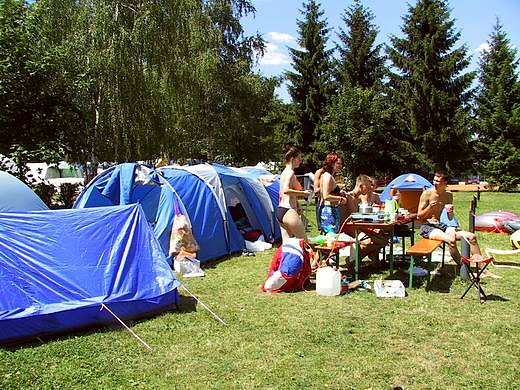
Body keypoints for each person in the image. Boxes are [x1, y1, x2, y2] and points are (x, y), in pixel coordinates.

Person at [417, 172, 499, 277]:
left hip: (441, 226)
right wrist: (429, 208)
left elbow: (450, 218)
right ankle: (464, 268)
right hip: (428, 226)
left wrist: (450, 212)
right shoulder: (427, 194)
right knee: (451, 241)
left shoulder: (448, 195)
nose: (434, 183)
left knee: (471, 237)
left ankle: (483, 269)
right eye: (434, 180)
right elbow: (419, 216)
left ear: (445, 182)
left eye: (438, 181)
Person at [277, 144, 311, 241]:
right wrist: (304, 193)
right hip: (288, 211)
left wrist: (298, 204)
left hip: (281, 210)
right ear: (292, 159)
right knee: (305, 243)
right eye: (299, 159)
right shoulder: (290, 172)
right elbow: (286, 190)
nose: (300, 162)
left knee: (287, 246)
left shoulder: (284, 172)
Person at [318, 153, 347, 233]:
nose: (340, 166)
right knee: (331, 236)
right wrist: (341, 198)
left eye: (341, 164)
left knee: (331, 236)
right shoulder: (328, 176)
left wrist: (339, 192)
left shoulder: (327, 175)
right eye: (338, 163)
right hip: (329, 210)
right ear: (331, 163)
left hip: (330, 209)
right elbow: (326, 196)